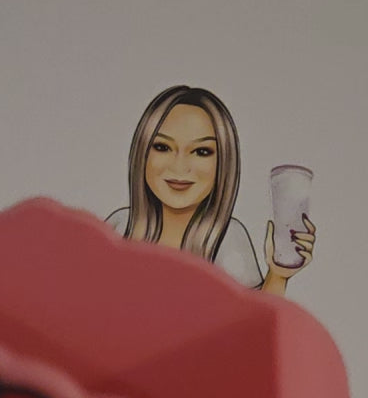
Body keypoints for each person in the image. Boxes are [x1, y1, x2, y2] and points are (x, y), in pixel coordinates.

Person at [106, 85, 316, 296]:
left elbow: (254, 315)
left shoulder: (227, 238)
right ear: (142, 152)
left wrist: (278, 275)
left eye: (201, 151)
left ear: (224, 162)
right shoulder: (120, 225)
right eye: (162, 147)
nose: (180, 167)